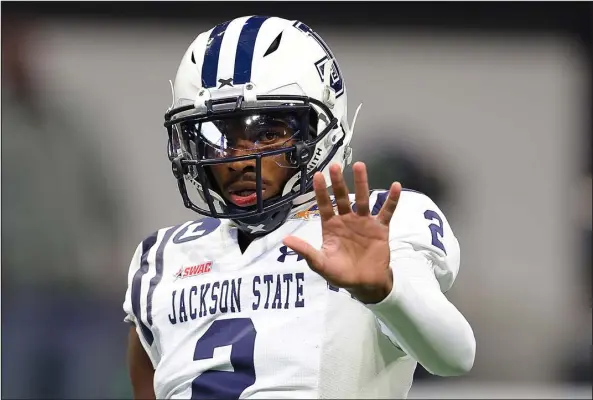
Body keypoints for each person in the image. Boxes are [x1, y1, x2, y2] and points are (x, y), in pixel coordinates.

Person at [124, 16, 475, 399]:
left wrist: (384, 291)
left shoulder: (377, 220)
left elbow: (454, 357)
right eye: (219, 137)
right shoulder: (163, 259)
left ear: (318, 130)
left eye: (267, 134)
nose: (239, 159)